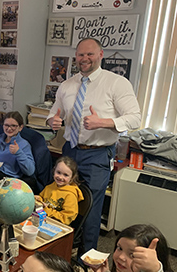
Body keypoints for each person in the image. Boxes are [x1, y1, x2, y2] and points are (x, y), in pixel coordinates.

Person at [46, 38, 141, 252]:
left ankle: (85, 260)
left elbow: (135, 118)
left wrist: (105, 122)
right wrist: (52, 121)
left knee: (90, 209)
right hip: (70, 150)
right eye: (81, 55)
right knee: (60, 200)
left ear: (101, 54)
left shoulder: (116, 83)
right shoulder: (67, 85)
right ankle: (58, 251)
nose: (84, 58)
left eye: (90, 54)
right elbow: (53, 113)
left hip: (97, 154)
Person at [36, 156, 83, 226]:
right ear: (54, 170)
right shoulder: (50, 186)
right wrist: (38, 199)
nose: (60, 177)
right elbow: (42, 197)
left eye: (66, 175)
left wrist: (45, 210)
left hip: (58, 225)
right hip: (44, 219)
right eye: (58, 172)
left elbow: (66, 218)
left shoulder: (70, 195)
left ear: (72, 178)